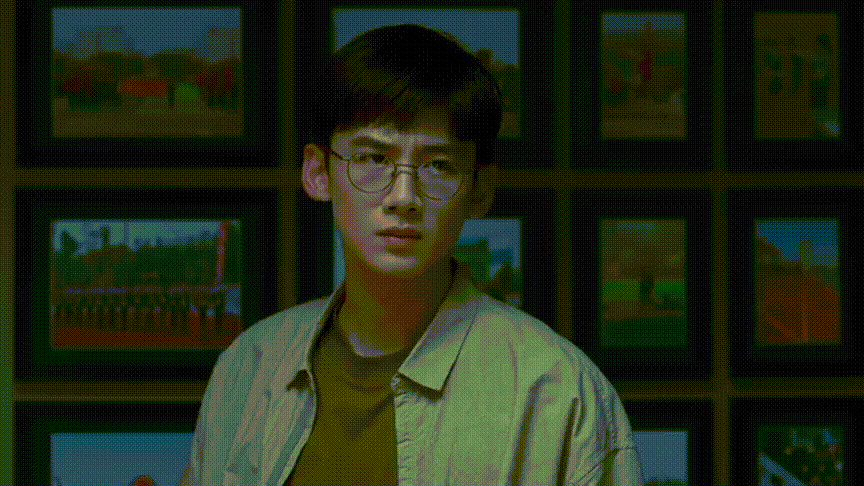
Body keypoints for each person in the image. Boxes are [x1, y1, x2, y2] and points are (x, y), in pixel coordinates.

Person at [180, 24, 643, 486]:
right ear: (318, 173)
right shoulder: (249, 365)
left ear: (481, 190)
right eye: (373, 159)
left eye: (439, 165)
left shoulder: (560, 391)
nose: (404, 197)